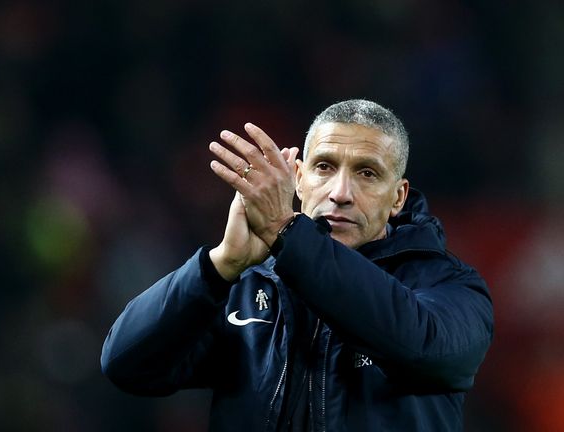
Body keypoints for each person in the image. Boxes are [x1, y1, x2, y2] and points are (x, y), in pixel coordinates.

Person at [101, 99, 494, 431]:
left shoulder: (449, 285)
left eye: (367, 173)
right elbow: (126, 364)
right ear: (298, 180)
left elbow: (424, 350)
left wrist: (286, 233)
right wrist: (220, 263)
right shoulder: (243, 285)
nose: (340, 193)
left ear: (398, 197)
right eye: (324, 167)